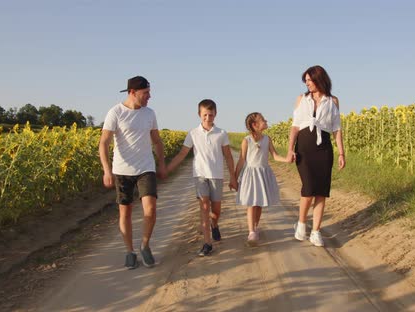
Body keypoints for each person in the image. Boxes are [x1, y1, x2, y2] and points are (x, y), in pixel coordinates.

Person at [99, 76, 167, 269]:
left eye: (149, 92)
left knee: (151, 209)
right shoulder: (116, 112)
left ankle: (145, 245)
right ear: (132, 92)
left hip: (146, 168)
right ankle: (129, 251)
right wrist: (106, 170)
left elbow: (157, 141)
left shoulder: (149, 114)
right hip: (122, 170)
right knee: (125, 212)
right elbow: (104, 143)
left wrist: (161, 163)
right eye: (145, 93)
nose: (149, 96)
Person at [166, 99, 237, 256]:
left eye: (210, 115)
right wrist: (168, 169)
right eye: (205, 115)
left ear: (215, 114)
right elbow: (182, 154)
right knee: (204, 206)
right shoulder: (193, 133)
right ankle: (207, 242)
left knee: (216, 210)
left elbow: (228, 156)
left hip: (217, 176)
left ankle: (215, 224)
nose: (207, 118)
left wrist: (233, 177)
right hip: (200, 175)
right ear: (199, 114)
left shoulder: (222, 133)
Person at [285, 65, 346, 247]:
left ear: (319, 79)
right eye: (306, 81)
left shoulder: (333, 101)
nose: (307, 83)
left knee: (321, 192)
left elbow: (336, 129)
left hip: (324, 148)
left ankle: (316, 231)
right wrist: (290, 149)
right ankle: (302, 223)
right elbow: (295, 126)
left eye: (310, 80)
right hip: (304, 147)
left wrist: (341, 152)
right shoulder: (301, 99)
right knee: (309, 188)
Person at [234, 112, 287, 246]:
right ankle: (251, 231)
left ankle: (255, 227)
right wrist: (234, 178)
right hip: (251, 174)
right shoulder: (247, 140)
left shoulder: (267, 139)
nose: (266, 121)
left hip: (263, 173)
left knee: (259, 204)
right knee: (251, 203)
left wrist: (287, 159)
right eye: (263, 120)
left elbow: (274, 155)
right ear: (255, 125)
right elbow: (241, 160)